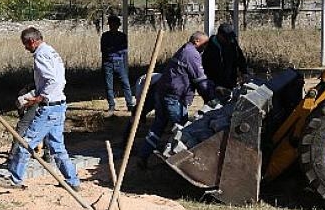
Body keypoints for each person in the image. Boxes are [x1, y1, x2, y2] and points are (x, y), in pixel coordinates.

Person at [0, 27, 81, 191]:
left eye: (25, 44)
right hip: (59, 105)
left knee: (25, 144)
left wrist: (38, 98)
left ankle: (14, 179)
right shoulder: (51, 51)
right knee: (57, 148)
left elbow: (53, 80)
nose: (25, 48)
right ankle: (73, 181)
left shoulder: (41, 55)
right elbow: (59, 81)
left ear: (32, 41)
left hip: (49, 109)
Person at [135, 31, 216, 164]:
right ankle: (183, 163)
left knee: (158, 126)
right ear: (196, 41)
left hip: (163, 93)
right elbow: (200, 80)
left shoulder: (185, 50)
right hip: (173, 98)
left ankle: (143, 155)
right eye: (204, 43)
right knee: (185, 131)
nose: (205, 47)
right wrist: (211, 98)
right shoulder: (192, 54)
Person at [100, 14, 135, 114]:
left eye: (115, 24)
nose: (113, 26)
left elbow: (124, 50)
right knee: (109, 85)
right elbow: (104, 50)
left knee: (125, 84)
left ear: (118, 25)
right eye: (111, 24)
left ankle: (130, 104)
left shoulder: (122, 36)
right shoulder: (105, 36)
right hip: (109, 62)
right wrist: (115, 51)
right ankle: (111, 105)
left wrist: (113, 51)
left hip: (118, 62)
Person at [202, 24, 249, 89]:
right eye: (227, 38)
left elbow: (240, 57)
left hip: (231, 81)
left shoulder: (233, 43)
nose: (229, 40)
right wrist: (214, 85)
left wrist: (244, 72)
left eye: (230, 38)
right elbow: (206, 67)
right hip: (215, 83)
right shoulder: (209, 46)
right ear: (220, 35)